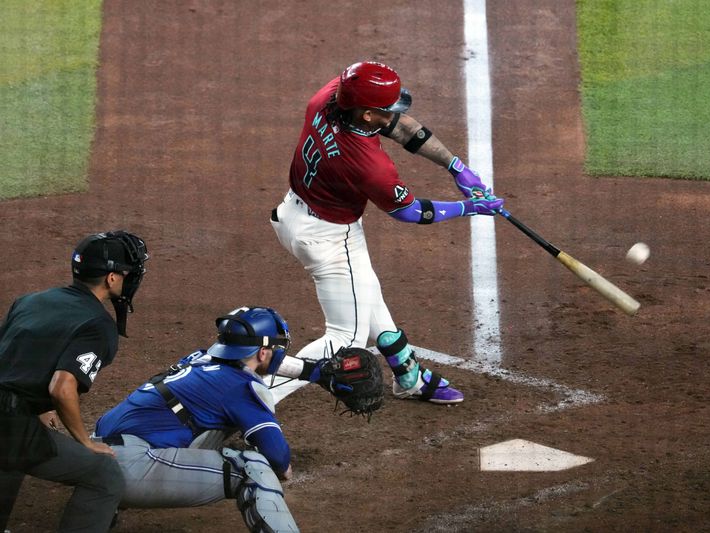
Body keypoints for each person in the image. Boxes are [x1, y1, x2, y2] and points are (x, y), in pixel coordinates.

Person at [270, 60, 504, 404]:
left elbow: (400, 128)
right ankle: (256, 396)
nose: (393, 113)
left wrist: (456, 167)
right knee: (346, 336)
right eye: (385, 108)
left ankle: (409, 375)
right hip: (330, 240)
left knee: (366, 294)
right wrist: (472, 208)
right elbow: (410, 212)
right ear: (366, 115)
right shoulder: (367, 164)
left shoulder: (329, 97)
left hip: (294, 213)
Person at [93, 306, 303, 533]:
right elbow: (278, 458)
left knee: (193, 424)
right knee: (254, 469)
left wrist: (316, 370)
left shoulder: (197, 359)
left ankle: (102, 507)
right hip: (128, 467)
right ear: (263, 352)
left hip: (92, 455)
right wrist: (282, 467)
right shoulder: (240, 387)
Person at [0, 230, 149, 533]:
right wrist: (84, 441)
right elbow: (62, 386)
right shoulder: (98, 325)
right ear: (111, 278)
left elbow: (14, 357)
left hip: (12, 419)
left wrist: (37, 406)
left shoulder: (31, 300)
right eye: (126, 272)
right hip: (9, 427)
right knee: (104, 473)